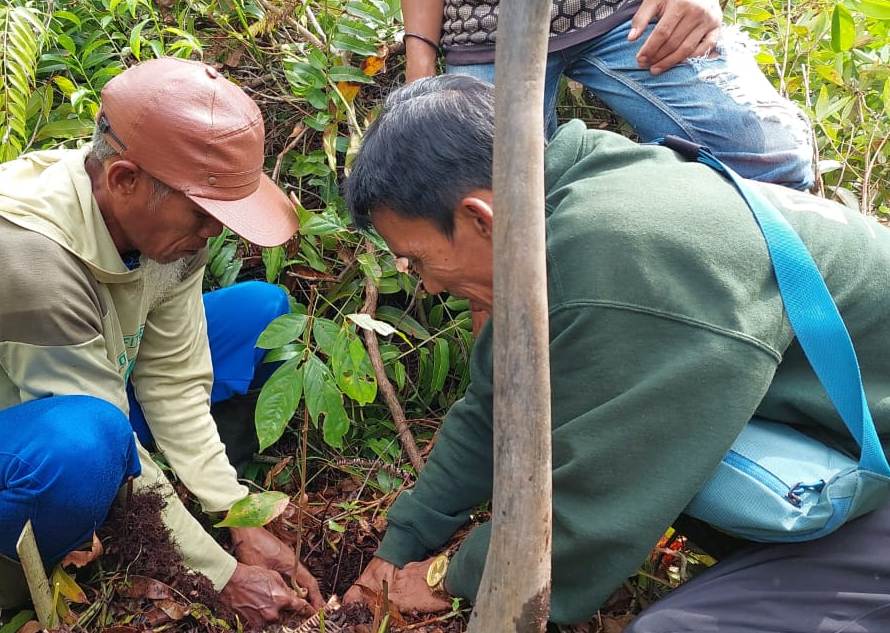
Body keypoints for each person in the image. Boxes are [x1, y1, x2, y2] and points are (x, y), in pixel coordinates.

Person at [340, 76, 890, 631]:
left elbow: (603, 499)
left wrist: (453, 577)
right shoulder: (576, 198)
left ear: (481, 218)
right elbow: (495, 407)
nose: (429, 287)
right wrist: (401, 545)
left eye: (421, 259)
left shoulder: (622, 256)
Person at [0, 57, 323, 628]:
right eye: (204, 214)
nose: (214, 232)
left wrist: (236, 515)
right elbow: (103, 422)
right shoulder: (32, 255)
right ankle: (24, 574)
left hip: (91, 387)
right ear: (125, 179)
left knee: (259, 314)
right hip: (27, 436)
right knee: (89, 441)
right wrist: (219, 577)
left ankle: (151, 501)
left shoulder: (169, 231)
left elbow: (173, 379)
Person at [402, 0, 815, 191]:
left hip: (624, 12)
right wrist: (419, 59)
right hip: (484, 29)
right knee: (487, 207)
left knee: (774, 155)